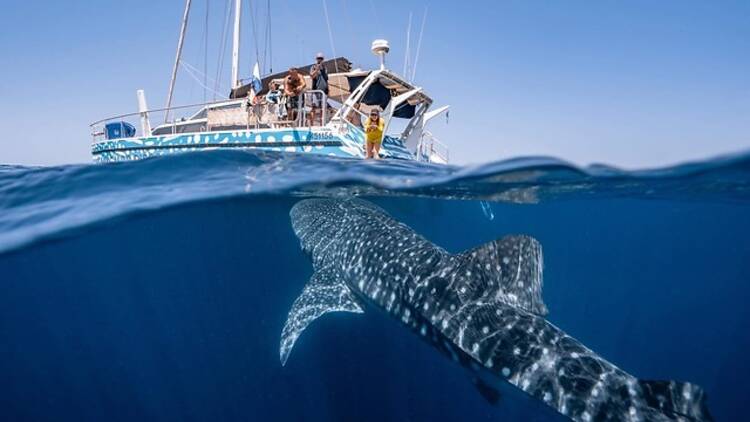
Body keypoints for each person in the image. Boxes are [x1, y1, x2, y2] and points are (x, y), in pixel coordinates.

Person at [309, 52, 329, 125]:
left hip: (324, 91)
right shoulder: (313, 67)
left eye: (321, 58)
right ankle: (311, 124)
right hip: (315, 90)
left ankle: (321, 124)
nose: (320, 60)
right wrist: (317, 69)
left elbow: (326, 79)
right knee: (314, 107)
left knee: (322, 108)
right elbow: (311, 76)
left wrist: (328, 90)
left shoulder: (325, 68)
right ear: (316, 59)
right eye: (318, 58)